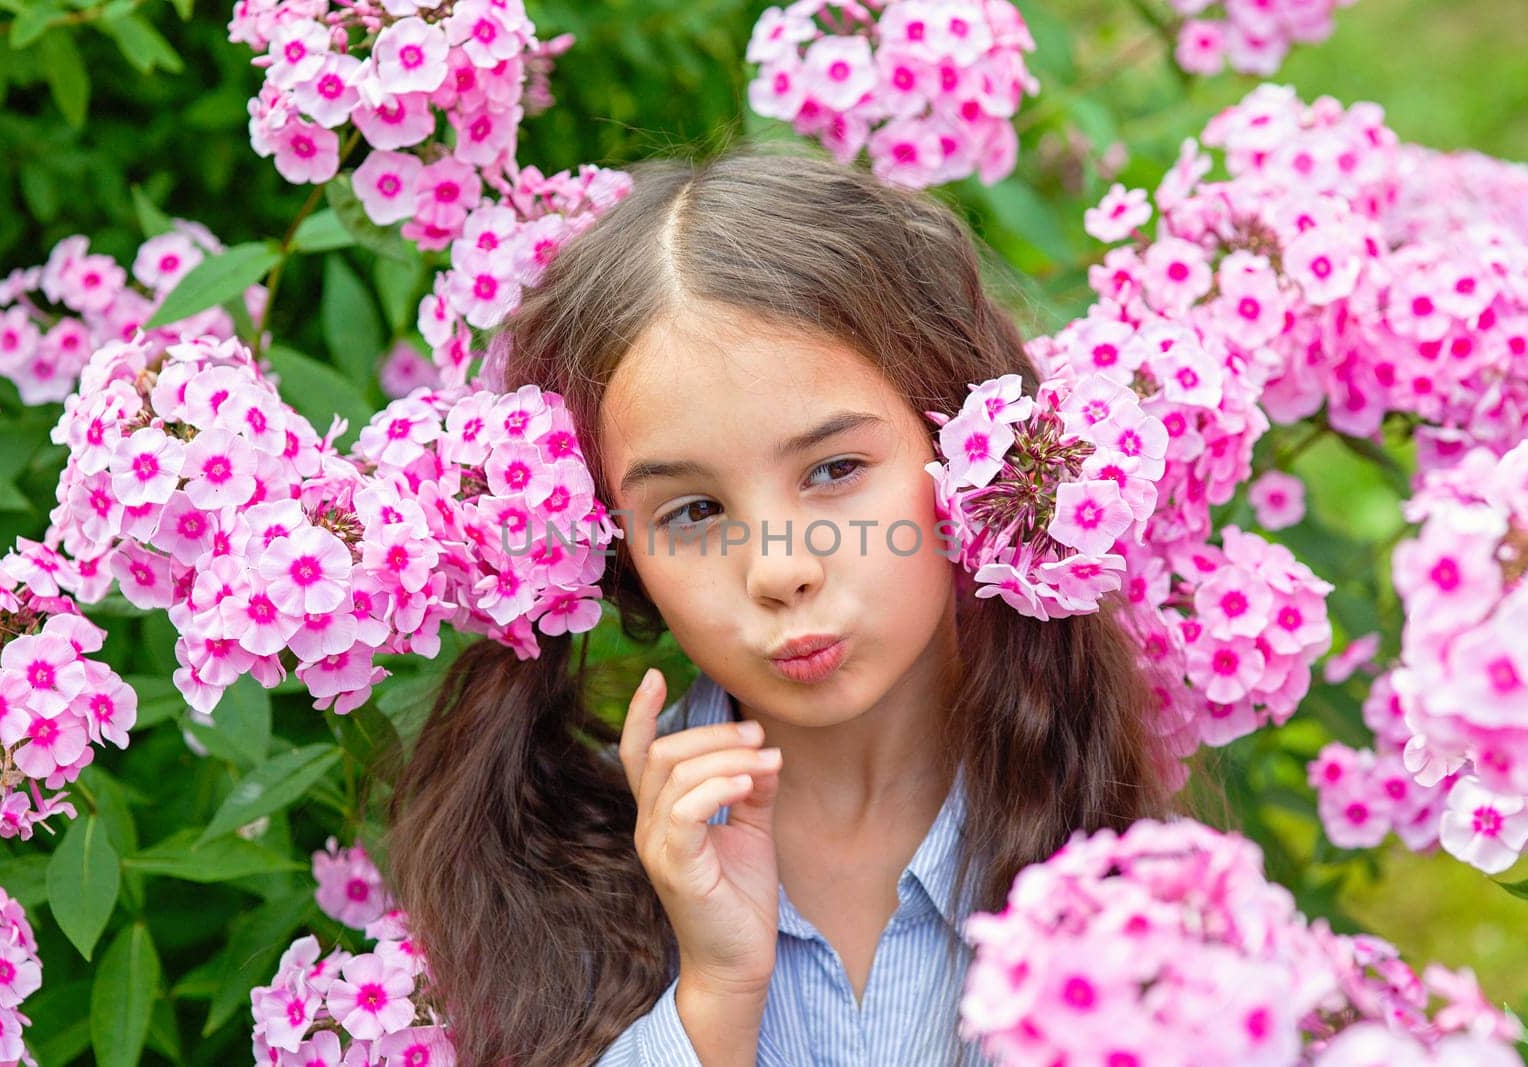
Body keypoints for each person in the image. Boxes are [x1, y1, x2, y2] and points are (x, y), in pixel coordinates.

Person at [383, 146, 1180, 1066]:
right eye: (692, 511)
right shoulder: (559, 868)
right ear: (611, 549)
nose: (780, 567)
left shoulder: (1104, 830)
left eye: (836, 469)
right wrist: (716, 996)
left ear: (968, 448)